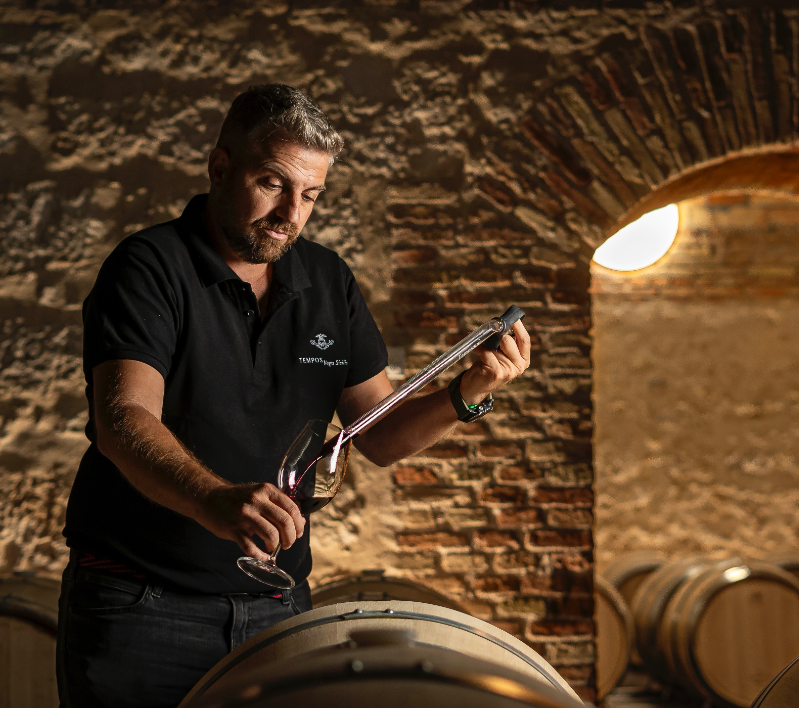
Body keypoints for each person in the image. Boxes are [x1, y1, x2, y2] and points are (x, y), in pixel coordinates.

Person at [56, 84, 531, 708]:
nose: (291, 214)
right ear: (220, 167)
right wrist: (213, 500)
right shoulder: (148, 267)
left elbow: (379, 435)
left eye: (310, 195)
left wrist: (468, 394)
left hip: (277, 609)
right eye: (273, 184)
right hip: (141, 607)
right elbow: (124, 419)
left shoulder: (327, 279)